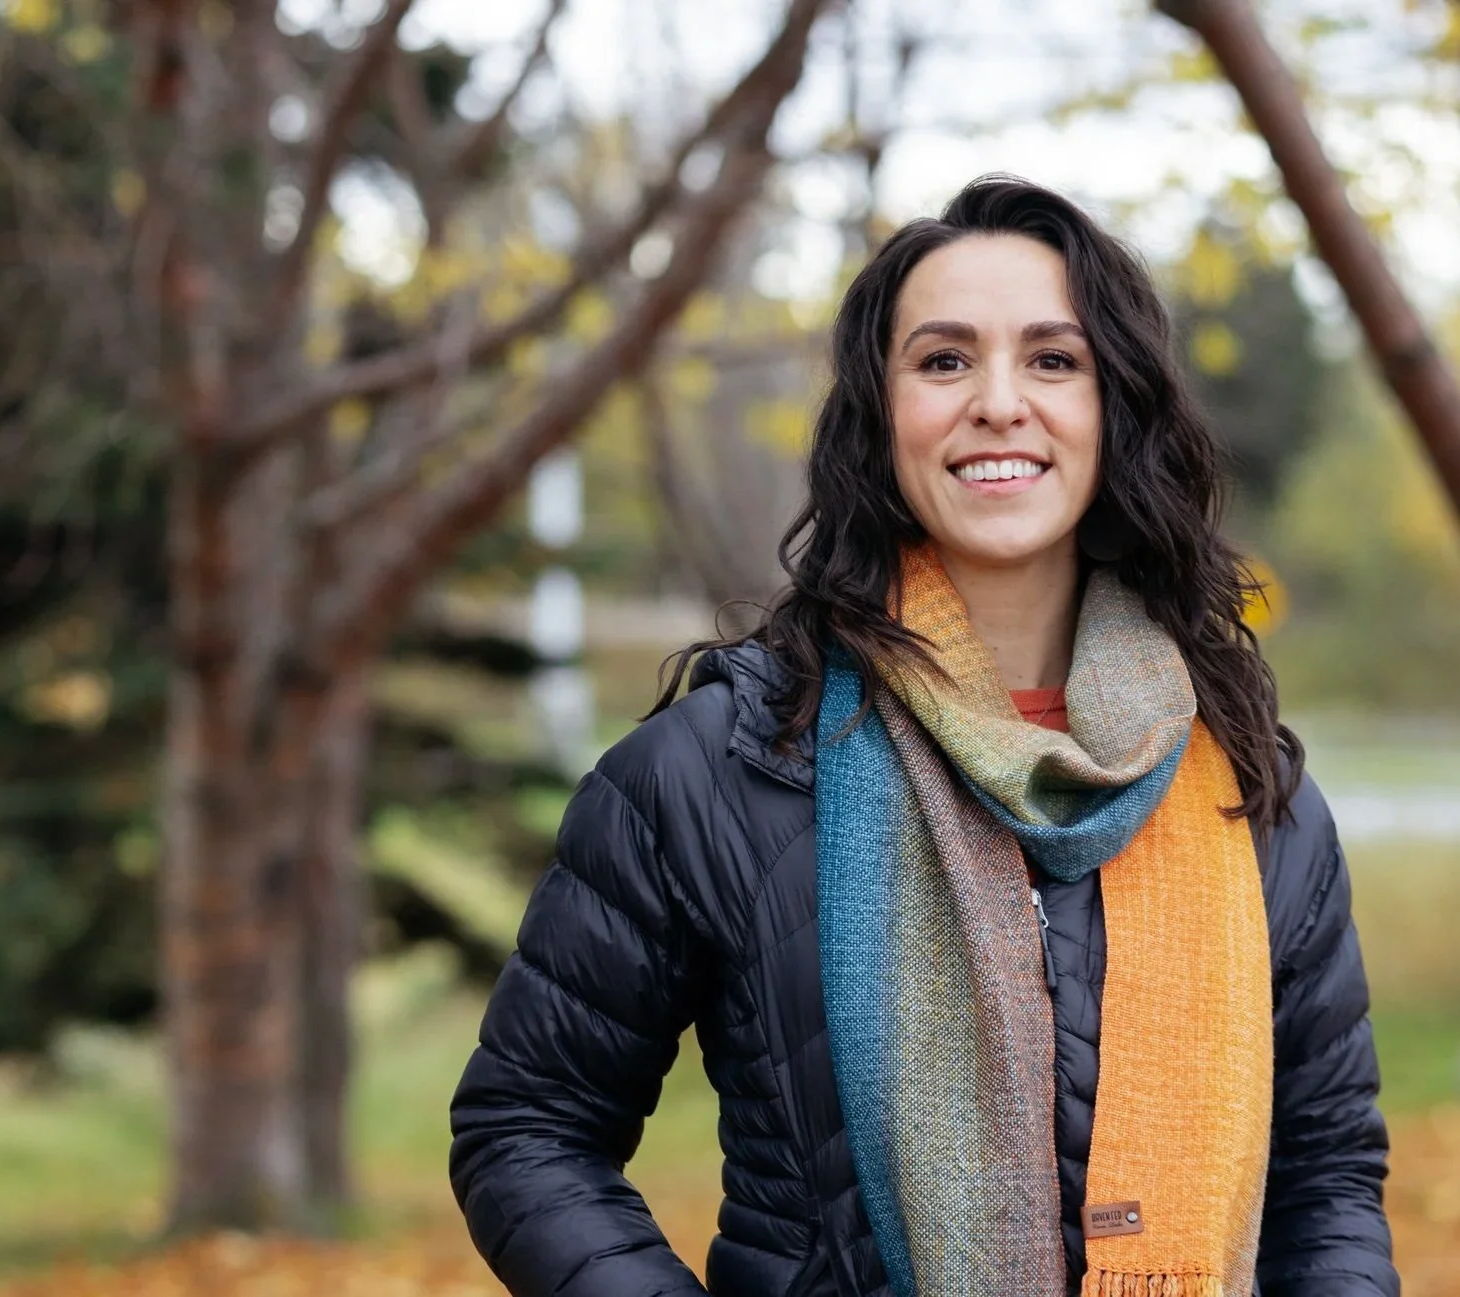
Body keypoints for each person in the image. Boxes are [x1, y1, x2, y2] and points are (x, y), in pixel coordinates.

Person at [448, 175, 1398, 1297]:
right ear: (879, 415)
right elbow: (528, 1127)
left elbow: (1325, 1177)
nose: (998, 402)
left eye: (1054, 359)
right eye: (944, 361)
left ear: (1118, 409)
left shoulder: (1244, 785)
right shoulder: (724, 766)